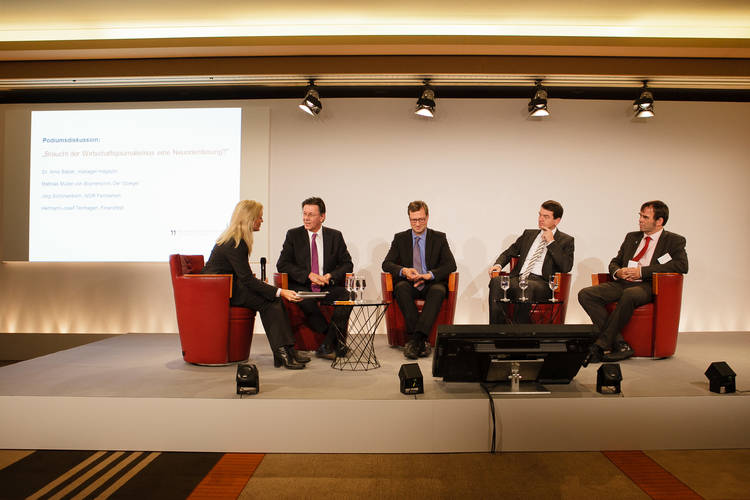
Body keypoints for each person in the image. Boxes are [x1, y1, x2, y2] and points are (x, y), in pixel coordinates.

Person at [201, 200, 309, 369]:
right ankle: (283, 353)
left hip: (229, 287)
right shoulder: (235, 243)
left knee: (273, 299)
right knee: (270, 301)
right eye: (259, 217)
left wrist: (270, 289)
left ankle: (287, 350)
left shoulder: (236, 240)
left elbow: (243, 276)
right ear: (250, 219)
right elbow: (247, 280)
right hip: (220, 292)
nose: (262, 221)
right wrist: (281, 291)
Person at [578, 200, 688, 364]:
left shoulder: (673, 240)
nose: (640, 220)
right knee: (586, 294)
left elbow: (681, 265)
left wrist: (642, 272)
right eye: (640, 216)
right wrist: (618, 272)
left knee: (630, 294)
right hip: (623, 283)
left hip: (648, 285)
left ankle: (601, 345)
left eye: (645, 217)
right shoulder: (632, 237)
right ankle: (620, 344)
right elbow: (615, 262)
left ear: (659, 221)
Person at [276, 197, 354, 360]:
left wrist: (330, 276)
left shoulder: (335, 236)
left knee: (347, 296)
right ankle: (334, 341)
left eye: (311, 215)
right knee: (307, 300)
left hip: (326, 286)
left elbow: (347, 264)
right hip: (302, 285)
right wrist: (308, 275)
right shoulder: (294, 235)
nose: (306, 218)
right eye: (304, 214)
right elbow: (282, 264)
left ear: (322, 217)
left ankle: (326, 344)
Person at [382, 200, 457, 359]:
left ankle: (415, 341)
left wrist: (430, 274)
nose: (417, 224)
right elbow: (386, 264)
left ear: (427, 217)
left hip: (431, 283)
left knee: (438, 290)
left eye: (421, 219)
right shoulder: (400, 238)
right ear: (409, 218)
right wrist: (404, 271)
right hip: (409, 283)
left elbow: (451, 264)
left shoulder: (439, 238)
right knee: (401, 288)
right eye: (413, 220)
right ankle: (421, 342)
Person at [488, 200, 574, 324]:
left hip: (542, 283)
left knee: (526, 286)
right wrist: (498, 264)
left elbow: (566, 267)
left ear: (557, 220)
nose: (541, 219)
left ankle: (520, 331)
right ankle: (498, 330)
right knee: (496, 282)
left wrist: (551, 242)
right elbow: (510, 252)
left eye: (546, 216)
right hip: (518, 277)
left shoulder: (566, 240)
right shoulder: (528, 234)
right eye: (540, 215)